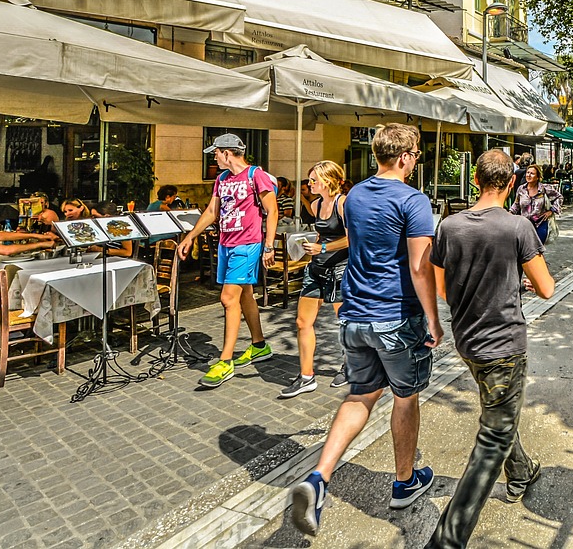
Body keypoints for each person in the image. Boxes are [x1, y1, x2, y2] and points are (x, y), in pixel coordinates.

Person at [290, 123, 442, 535]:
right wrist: (434, 316)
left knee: (361, 395)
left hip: (354, 315)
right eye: (416, 157)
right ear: (407, 157)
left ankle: (319, 477)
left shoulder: (354, 196)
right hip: (395, 314)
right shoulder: (414, 200)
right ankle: (404, 481)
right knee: (405, 397)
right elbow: (419, 266)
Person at [424, 149, 555, 548]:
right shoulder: (518, 227)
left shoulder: (448, 226)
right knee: (493, 435)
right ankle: (448, 538)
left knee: (498, 410)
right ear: (511, 182)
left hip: (467, 339)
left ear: (476, 180)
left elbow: (442, 287)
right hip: (503, 343)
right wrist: (518, 283)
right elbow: (547, 287)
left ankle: (520, 471)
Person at [177, 133, 278, 389]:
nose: (213, 157)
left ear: (227, 152)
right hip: (226, 243)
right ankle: (259, 345)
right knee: (245, 296)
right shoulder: (221, 179)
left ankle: (225, 361)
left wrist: (269, 246)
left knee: (227, 298)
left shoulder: (257, 175)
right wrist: (190, 236)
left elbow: (272, 210)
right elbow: (212, 211)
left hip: (248, 244)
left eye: (215, 153)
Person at [280, 160, 350, 399]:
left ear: (328, 181)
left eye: (313, 180)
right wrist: (305, 243)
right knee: (302, 322)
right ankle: (306, 376)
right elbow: (321, 233)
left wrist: (323, 247)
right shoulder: (317, 204)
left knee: (345, 322)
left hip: (341, 269)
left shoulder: (343, 203)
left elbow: (353, 238)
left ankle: (350, 365)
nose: (308, 184)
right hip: (316, 269)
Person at [509, 164, 563, 244]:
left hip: (540, 224)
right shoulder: (521, 189)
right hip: (525, 225)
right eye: (528, 173)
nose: (529, 175)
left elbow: (559, 197)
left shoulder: (544, 188)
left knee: (537, 250)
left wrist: (551, 211)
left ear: (538, 177)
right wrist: (509, 214)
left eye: (532, 173)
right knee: (525, 250)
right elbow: (516, 204)